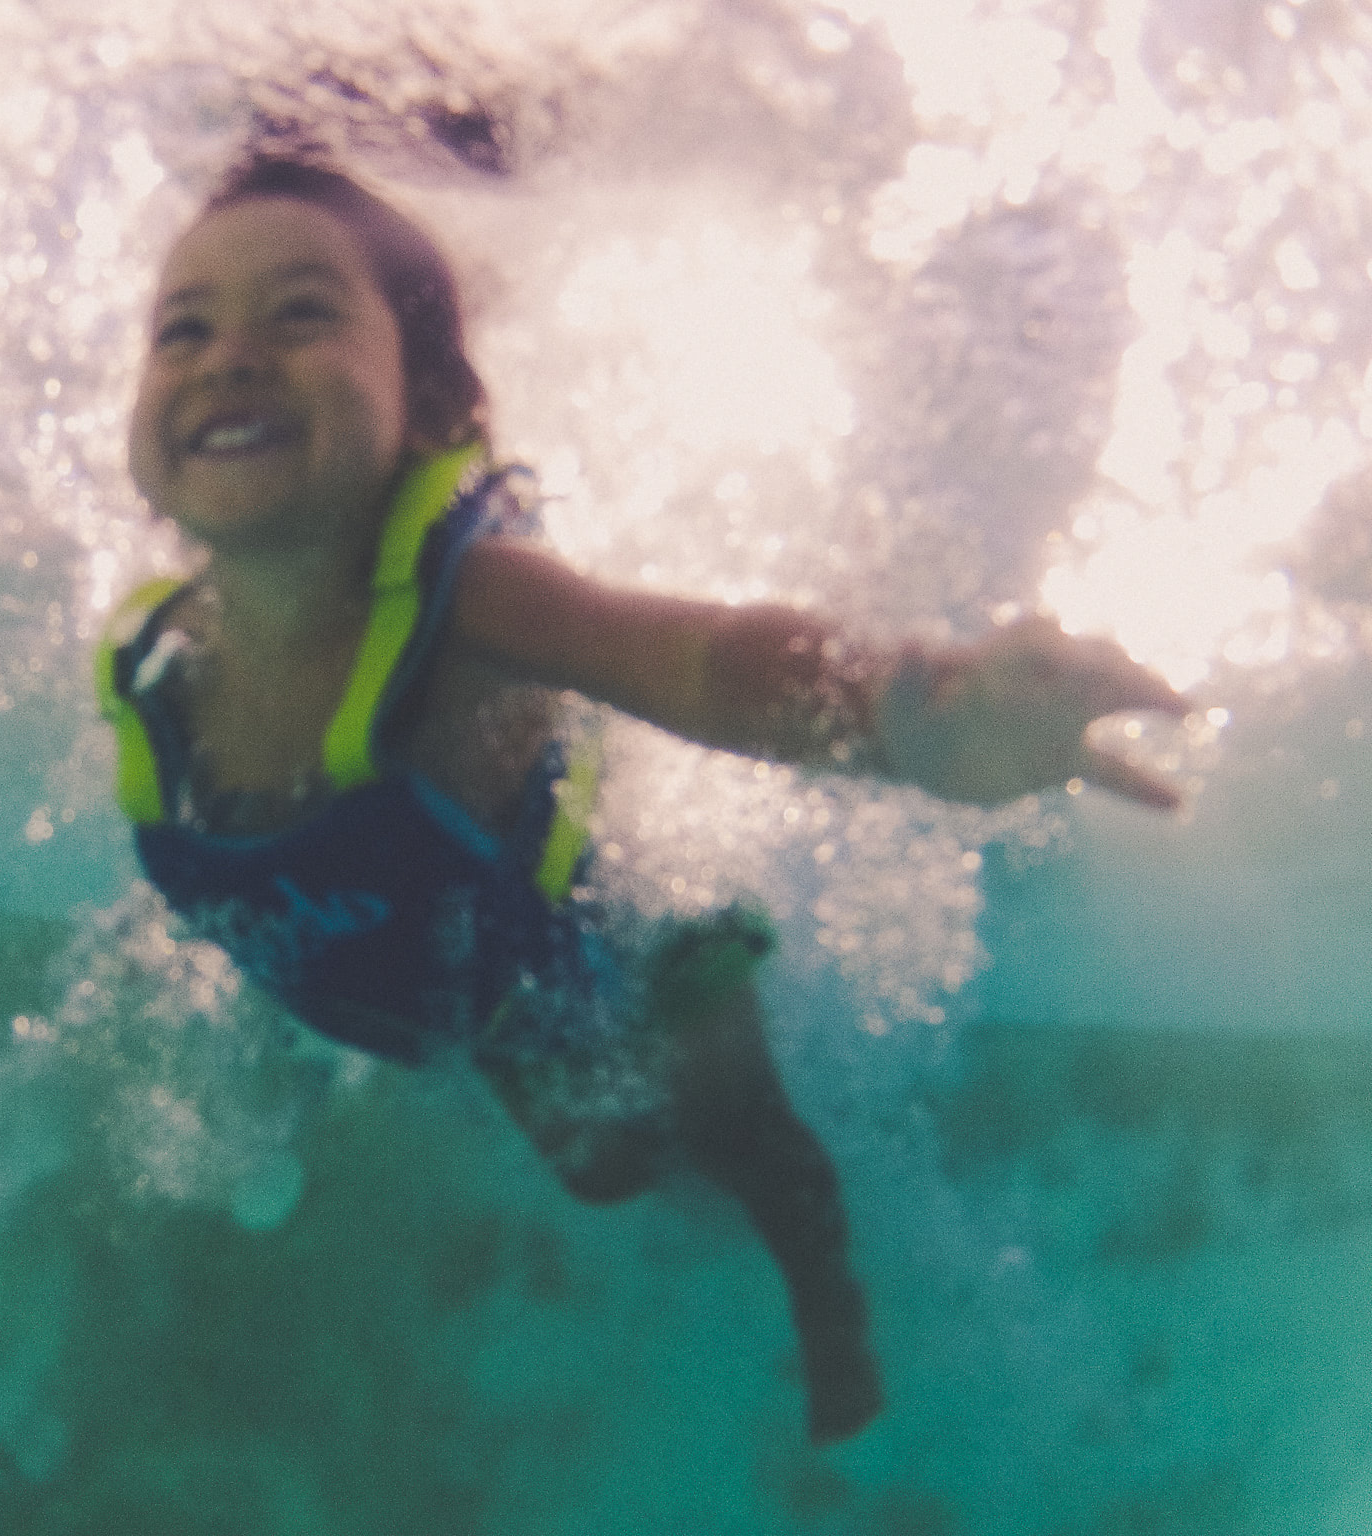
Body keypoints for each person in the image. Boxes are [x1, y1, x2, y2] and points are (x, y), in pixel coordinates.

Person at [95, 154, 1187, 1444]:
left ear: (427, 402)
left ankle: (824, 1292)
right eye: (183, 328)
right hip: (482, 981)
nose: (229, 357)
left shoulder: (477, 610)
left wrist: (923, 718)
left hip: (618, 911)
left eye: (300, 313)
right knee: (605, 1172)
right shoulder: (154, 667)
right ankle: (679, 1185)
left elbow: (707, 664)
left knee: (746, 1132)